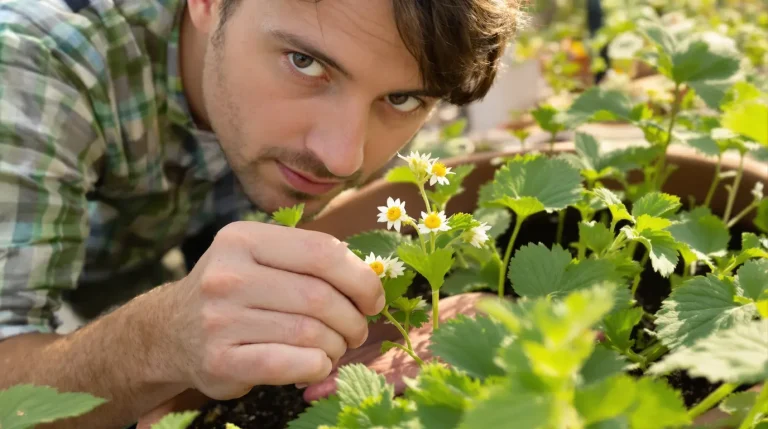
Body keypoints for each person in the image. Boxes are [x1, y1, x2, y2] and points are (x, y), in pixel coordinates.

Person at [0, 0, 522, 427]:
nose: (344, 157)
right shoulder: (33, 66)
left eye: (404, 98)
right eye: (305, 62)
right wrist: (159, 338)